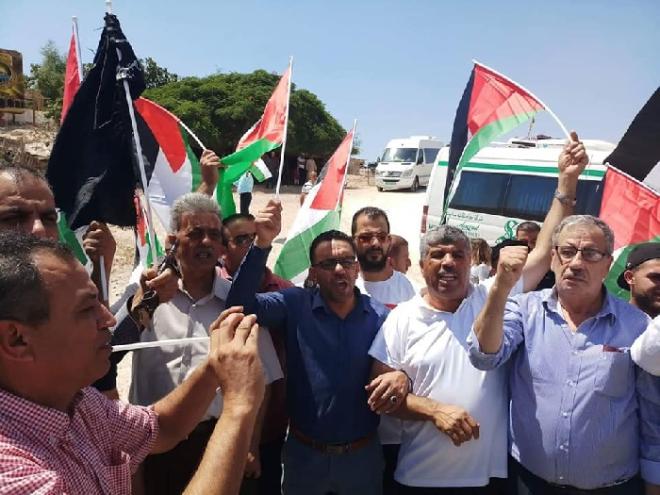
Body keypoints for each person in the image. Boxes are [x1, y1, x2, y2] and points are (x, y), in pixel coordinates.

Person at [368, 132, 590, 493]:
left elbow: (544, 247)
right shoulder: (401, 319)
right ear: (422, 265)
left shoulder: (495, 295)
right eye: (437, 255)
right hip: (418, 478)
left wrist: (566, 181)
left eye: (457, 254)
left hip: (490, 479)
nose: (447, 262)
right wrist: (434, 411)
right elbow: (383, 398)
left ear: (471, 262)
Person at [0, 231, 266, 495]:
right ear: (16, 339)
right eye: (86, 309)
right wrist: (239, 407)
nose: (108, 320)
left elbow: (160, 428)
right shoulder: (13, 475)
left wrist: (214, 368)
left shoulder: (81, 404)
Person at [226, 200, 411, 495]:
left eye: (347, 262)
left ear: (356, 267)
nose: (339, 270)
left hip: (361, 459)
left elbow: (407, 366)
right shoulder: (295, 304)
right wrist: (261, 244)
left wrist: (402, 377)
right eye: (327, 264)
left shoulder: (381, 317)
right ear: (313, 272)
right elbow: (240, 306)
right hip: (304, 458)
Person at [470, 215, 660, 493]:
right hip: (530, 482)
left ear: (608, 264)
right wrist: (501, 286)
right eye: (567, 251)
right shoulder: (524, 310)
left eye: (590, 253)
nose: (576, 263)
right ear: (553, 258)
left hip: (612, 487)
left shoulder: (638, 326)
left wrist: (654, 483)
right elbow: (484, 356)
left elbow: (652, 413)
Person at [128, 193, 283, 495]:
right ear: (173, 240)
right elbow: (106, 348)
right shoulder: (146, 296)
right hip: (154, 442)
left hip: (217, 442)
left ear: (223, 247)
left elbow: (262, 380)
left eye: (214, 235)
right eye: (196, 233)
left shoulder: (237, 305)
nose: (206, 242)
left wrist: (250, 443)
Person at [221, 212, 293, 495]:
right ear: (223, 249)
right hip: (221, 432)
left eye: (255, 238)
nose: (252, 243)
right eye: (242, 240)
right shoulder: (216, 290)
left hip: (272, 428)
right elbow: (240, 305)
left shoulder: (285, 290)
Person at [351, 206, 416, 494]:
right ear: (353, 240)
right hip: (352, 430)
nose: (375, 243)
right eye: (366, 237)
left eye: (381, 236)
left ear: (389, 241)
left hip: (397, 434)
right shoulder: (342, 286)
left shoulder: (411, 292)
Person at [517, 220, 555, 290]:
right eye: (523, 242)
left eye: (534, 242)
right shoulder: (507, 261)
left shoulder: (550, 265)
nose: (529, 246)